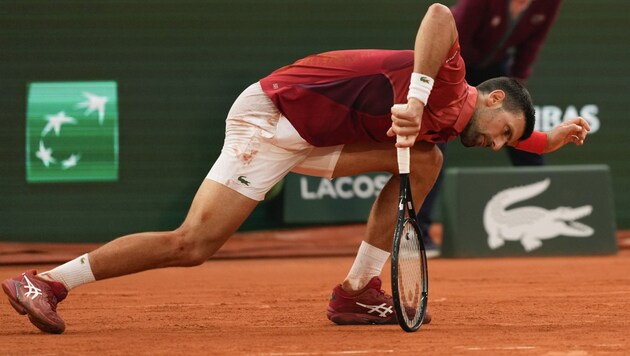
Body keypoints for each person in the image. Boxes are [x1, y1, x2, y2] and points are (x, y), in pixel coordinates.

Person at [2, 3, 588, 334]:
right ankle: (47, 282)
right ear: (487, 98)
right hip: (274, 117)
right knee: (193, 244)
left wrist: (548, 139)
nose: (498, 145)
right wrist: (414, 97)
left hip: (318, 136)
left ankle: (357, 292)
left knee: (427, 159)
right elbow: (439, 15)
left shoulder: (457, 128)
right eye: (504, 131)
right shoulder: (454, 87)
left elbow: (510, 137)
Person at [418, 0, 564, 257]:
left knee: (520, 129)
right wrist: (456, 90)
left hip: (496, 70)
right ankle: (419, 234)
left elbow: (532, 42)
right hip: (452, 67)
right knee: (433, 151)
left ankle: (548, 223)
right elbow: (453, 36)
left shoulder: (549, 3)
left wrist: (516, 86)